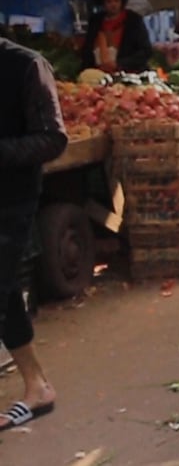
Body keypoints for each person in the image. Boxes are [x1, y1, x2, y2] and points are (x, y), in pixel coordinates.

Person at [0, 37, 67, 431]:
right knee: (6, 293)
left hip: (10, 201)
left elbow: (53, 138)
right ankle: (37, 384)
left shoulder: (26, 66)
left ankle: (37, 384)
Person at [80, 0, 152, 73]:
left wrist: (120, 64)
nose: (113, 5)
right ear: (103, 3)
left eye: (116, 1)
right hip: (99, 74)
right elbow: (87, 48)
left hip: (129, 73)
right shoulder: (96, 21)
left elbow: (145, 51)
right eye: (109, 1)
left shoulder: (134, 20)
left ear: (122, 1)